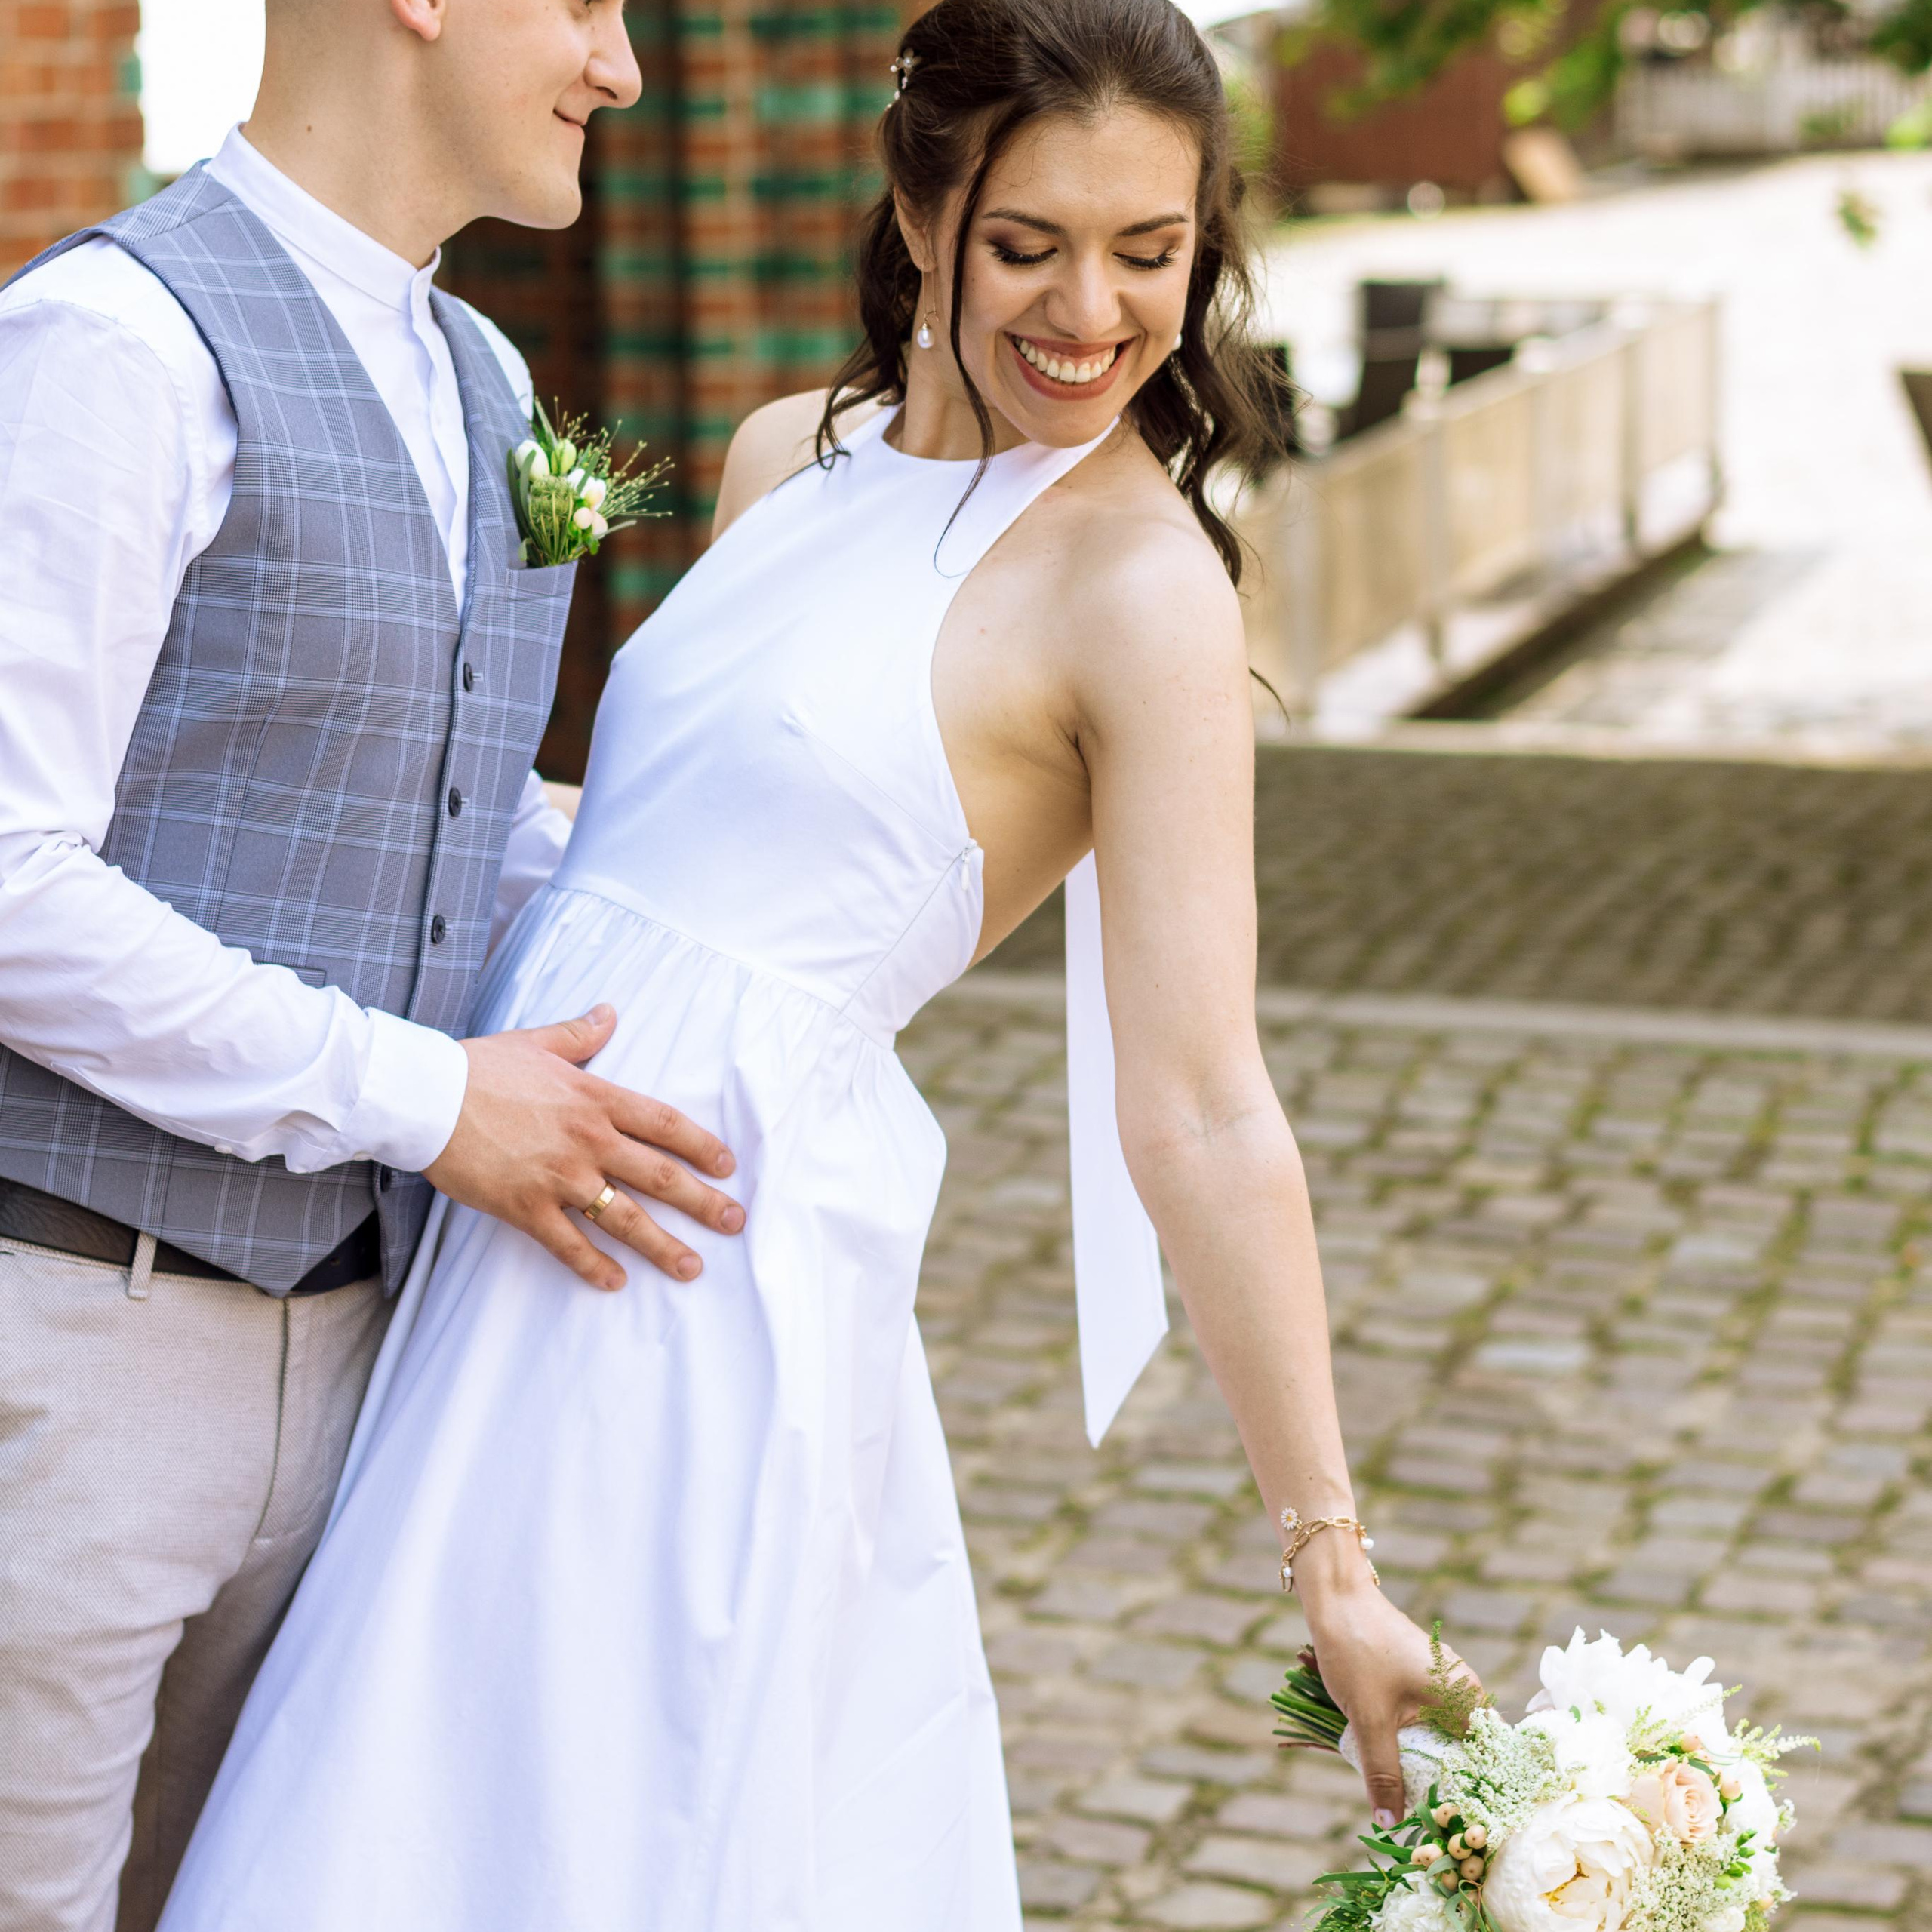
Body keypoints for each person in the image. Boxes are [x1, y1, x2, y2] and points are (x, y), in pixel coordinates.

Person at [155, 2, 1469, 1926]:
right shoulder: (791, 453)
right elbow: (637, 837)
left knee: (594, 1814)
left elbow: (1199, 1100)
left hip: (691, 1264)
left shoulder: (1141, 592)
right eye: (1029, 244)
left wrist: (1330, 1560)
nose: (1088, 314)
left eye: (1149, 254)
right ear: (921, 208)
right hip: (493, 1167)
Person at [0, 4, 749, 1929]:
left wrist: (762, 878)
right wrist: (434, 1101)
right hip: (71, 1351)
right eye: (585, 6)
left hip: (369, 1366)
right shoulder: (113, 347)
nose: (620, 67)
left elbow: (441, 816)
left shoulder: (490, 384)